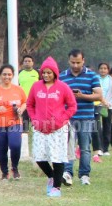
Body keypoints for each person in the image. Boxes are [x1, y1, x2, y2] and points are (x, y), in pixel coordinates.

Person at [26, 57, 77, 198]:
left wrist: (62, 119)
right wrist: (34, 119)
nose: (46, 75)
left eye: (49, 72)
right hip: (40, 127)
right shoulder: (36, 87)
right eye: (44, 72)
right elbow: (30, 104)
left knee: (58, 157)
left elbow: (72, 106)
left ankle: (56, 188)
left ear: (55, 73)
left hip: (58, 129)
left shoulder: (63, 87)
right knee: (39, 156)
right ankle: (53, 177)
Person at [60, 49, 102, 186]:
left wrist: (82, 96)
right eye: (73, 62)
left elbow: (98, 95)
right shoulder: (62, 76)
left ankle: (84, 174)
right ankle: (67, 172)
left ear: (83, 60)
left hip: (86, 117)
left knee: (84, 147)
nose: (75, 65)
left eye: (78, 62)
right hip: (68, 117)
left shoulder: (92, 76)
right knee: (68, 146)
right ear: (69, 60)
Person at [0, 65, 28, 180]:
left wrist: (21, 109)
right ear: (0, 75)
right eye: (4, 74)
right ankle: (4, 172)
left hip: (15, 122)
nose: (7, 77)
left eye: (9, 74)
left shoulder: (18, 89)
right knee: (2, 148)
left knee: (15, 145)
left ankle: (14, 168)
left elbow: (25, 102)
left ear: (13, 75)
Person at [95, 62, 112, 157]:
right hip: (97, 105)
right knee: (97, 127)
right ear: (98, 69)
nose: (103, 70)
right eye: (101, 68)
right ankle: (99, 148)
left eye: (105, 68)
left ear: (108, 70)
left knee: (107, 127)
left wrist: (109, 103)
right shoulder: (95, 79)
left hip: (108, 106)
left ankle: (105, 148)